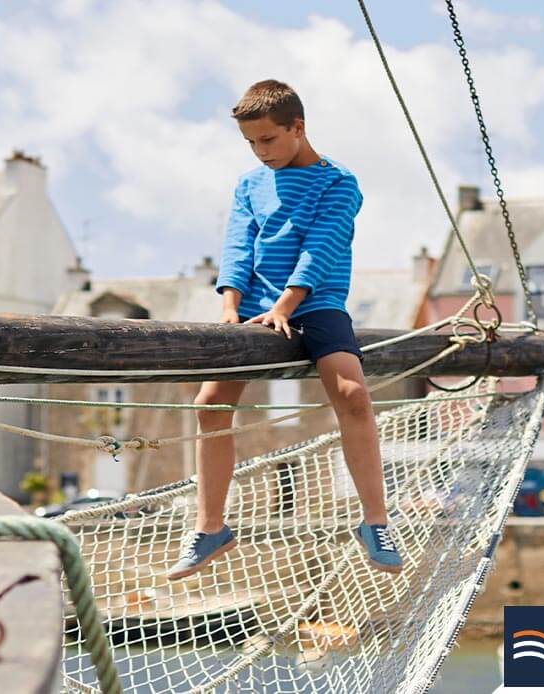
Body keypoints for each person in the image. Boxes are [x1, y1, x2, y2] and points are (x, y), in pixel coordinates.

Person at [167, 79, 402, 581]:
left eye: (268, 140)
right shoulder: (248, 185)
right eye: (251, 143)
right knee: (210, 405)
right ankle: (210, 528)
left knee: (353, 394)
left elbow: (323, 246)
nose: (260, 151)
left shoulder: (338, 182)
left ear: (298, 127)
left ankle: (375, 522)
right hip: (252, 309)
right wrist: (230, 306)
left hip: (315, 305)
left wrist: (287, 305)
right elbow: (237, 243)